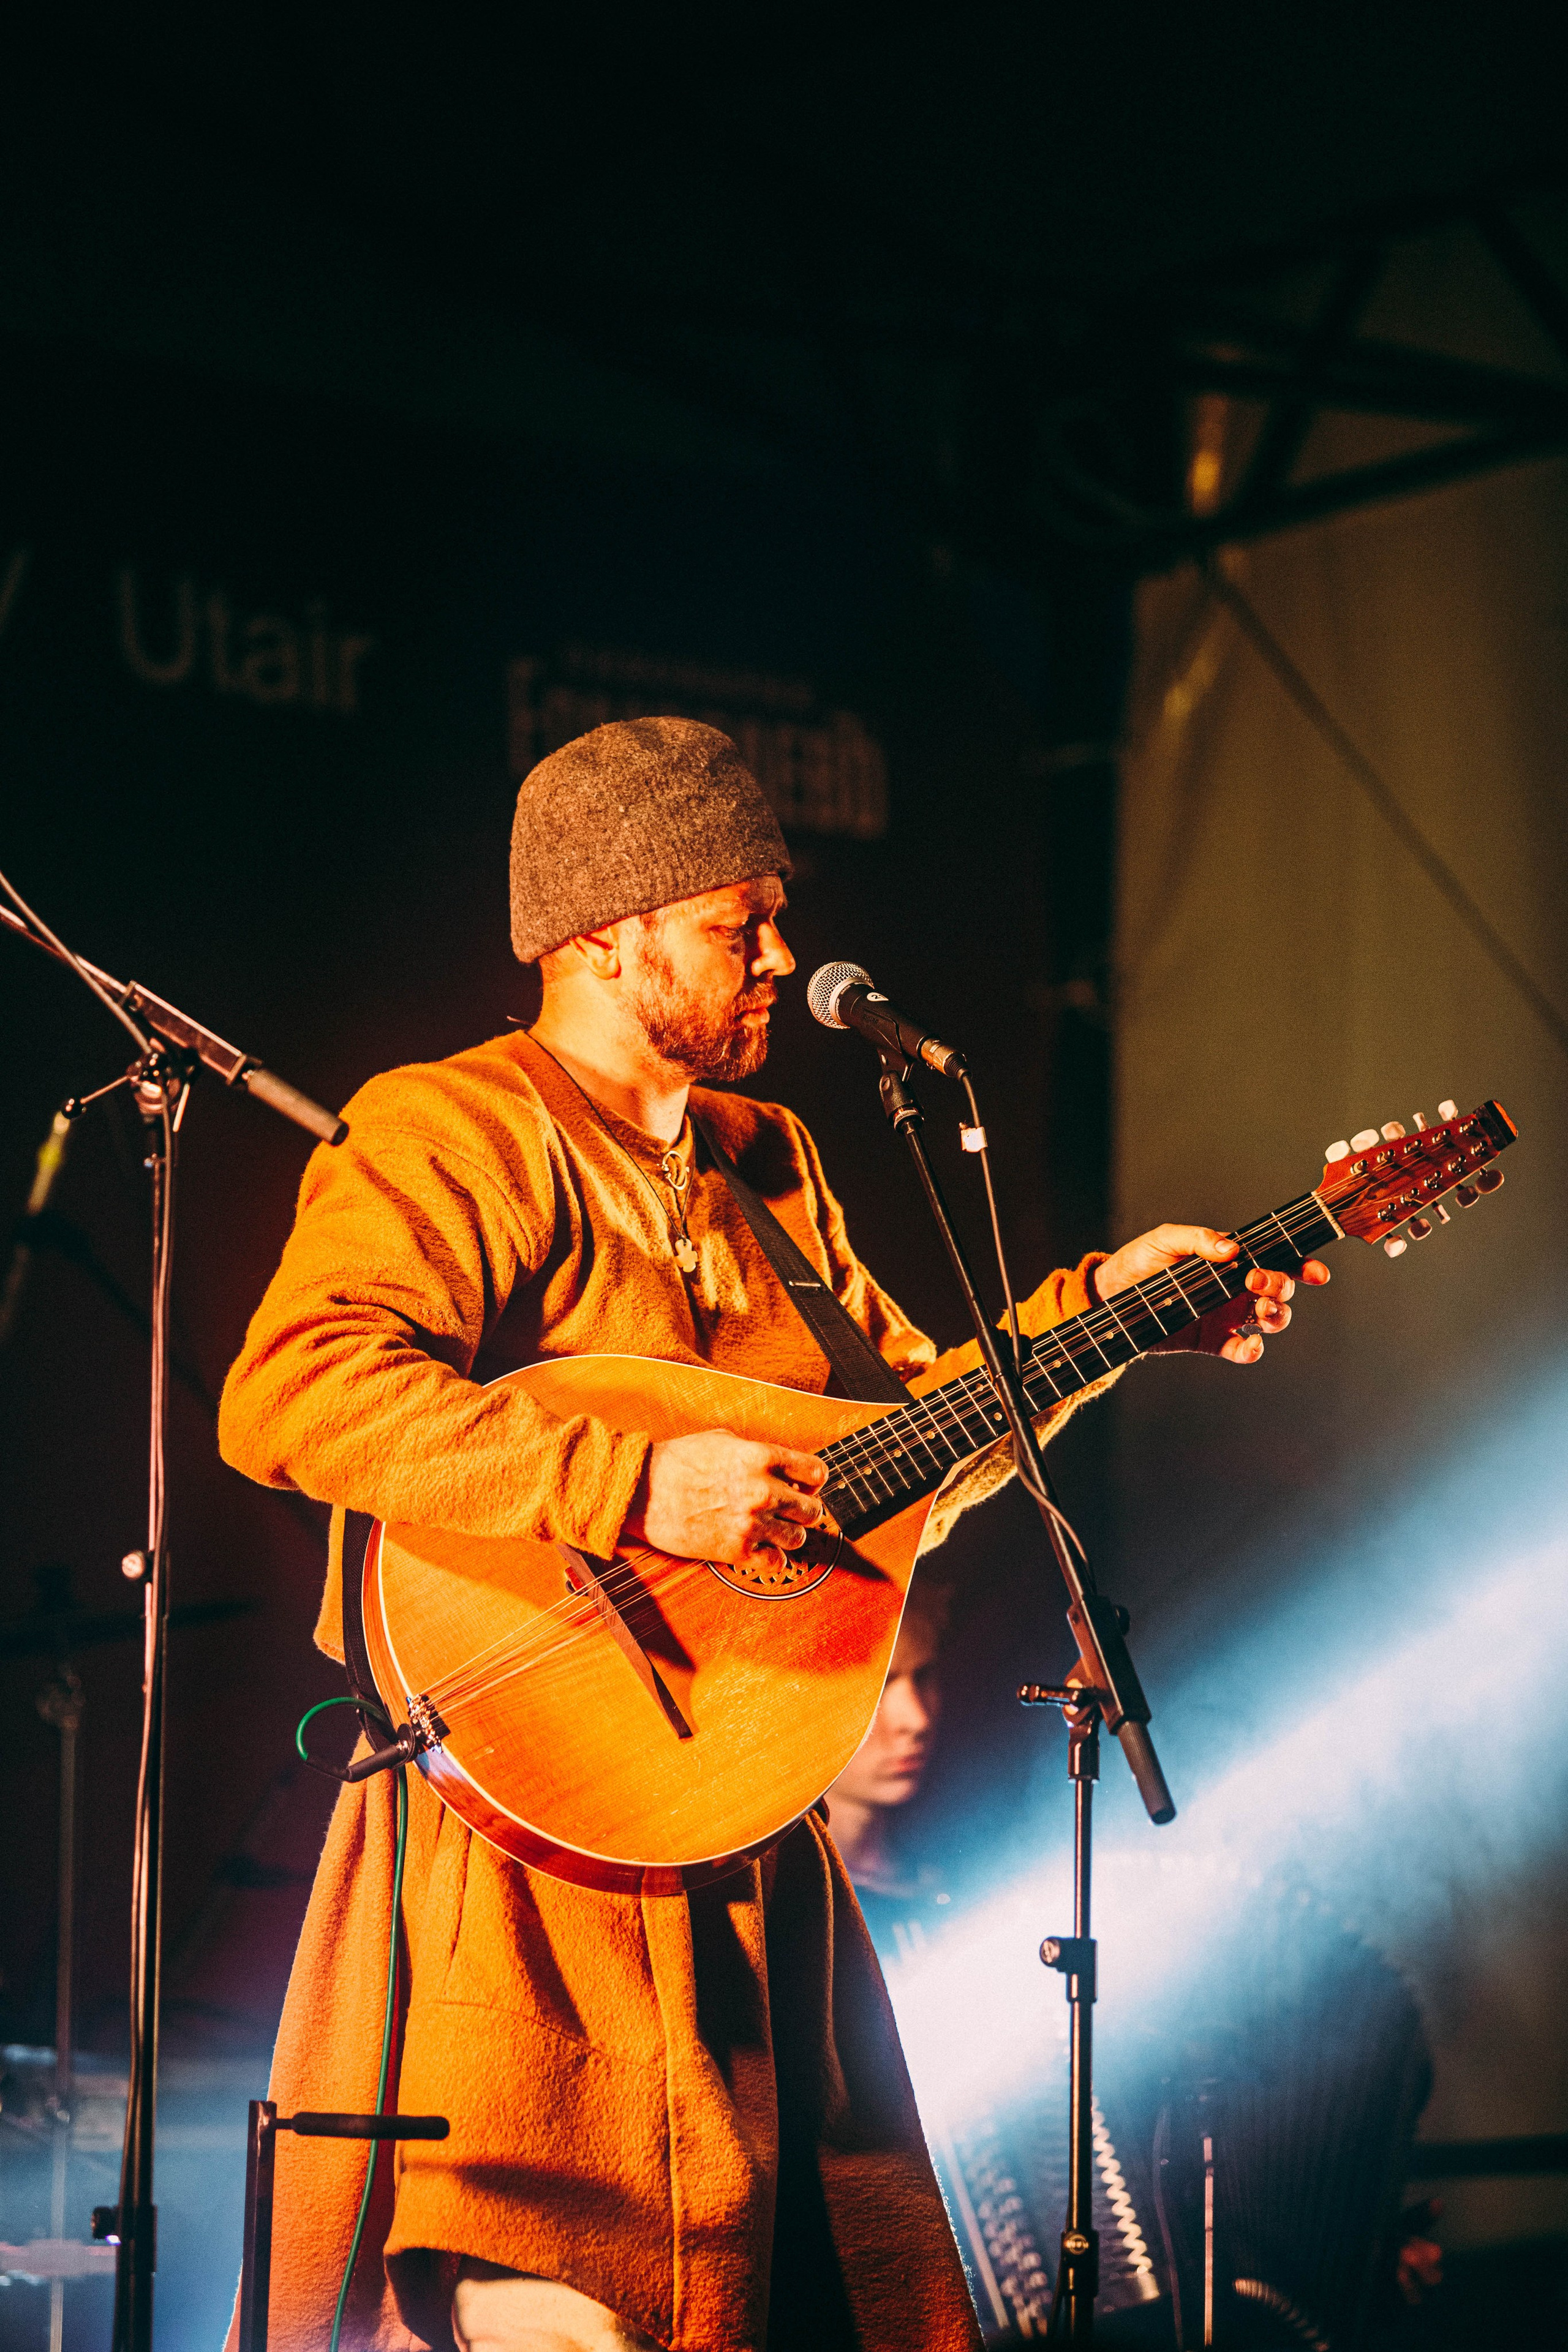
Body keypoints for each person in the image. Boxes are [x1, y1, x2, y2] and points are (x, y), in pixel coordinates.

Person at [218, 717, 1325, 2352]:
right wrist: (633, 1483)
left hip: (742, 1841)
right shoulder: (452, 1129)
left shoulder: (769, 1164)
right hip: (528, 1862)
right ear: (605, 937)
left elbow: (888, 1470)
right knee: (543, 2289)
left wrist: (1115, 1318)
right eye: (740, 925)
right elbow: (292, 1394)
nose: (781, 959)